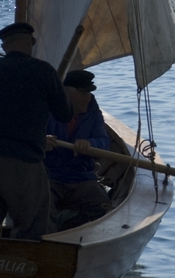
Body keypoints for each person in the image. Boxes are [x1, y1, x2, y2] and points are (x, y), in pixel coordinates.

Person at [0, 22, 72, 241]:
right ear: (31, 43)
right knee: (31, 229)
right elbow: (65, 114)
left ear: (4, 47)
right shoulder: (43, 71)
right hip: (23, 162)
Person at [44, 70, 112, 231]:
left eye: (89, 92)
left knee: (102, 208)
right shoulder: (46, 109)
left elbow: (104, 142)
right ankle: (49, 236)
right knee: (40, 209)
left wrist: (90, 144)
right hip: (49, 176)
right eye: (83, 93)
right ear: (66, 93)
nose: (88, 98)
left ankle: (65, 226)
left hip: (81, 178)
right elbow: (26, 137)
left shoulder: (92, 111)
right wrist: (41, 141)